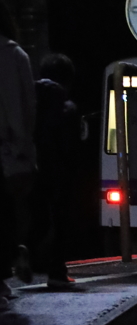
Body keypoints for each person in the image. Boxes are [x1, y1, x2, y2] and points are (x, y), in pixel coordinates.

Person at [32, 52, 80, 287]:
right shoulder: (63, 101)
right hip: (56, 169)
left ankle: (20, 257)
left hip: (27, 165)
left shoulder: (30, 94)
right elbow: (68, 141)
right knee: (60, 220)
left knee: (32, 218)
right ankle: (57, 272)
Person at [0, 0, 36, 310]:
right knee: (10, 213)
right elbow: (24, 109)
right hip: (9, 152)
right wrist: (23, 147)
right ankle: (14, 256)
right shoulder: (15, 55)